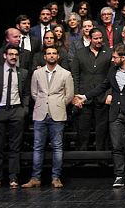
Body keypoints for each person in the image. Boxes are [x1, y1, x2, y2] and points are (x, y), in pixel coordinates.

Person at [73, 45, 125, 188]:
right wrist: (85, 97)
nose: (112, 59)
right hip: (115, 113)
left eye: (115, 57)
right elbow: (102, 87)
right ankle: (119, 175)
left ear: (123, 58)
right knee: (116, 146)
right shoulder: (112, 71)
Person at [22, 47, 75, 189]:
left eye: (54, 53)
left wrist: (57, 104)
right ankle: (35, 178)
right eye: (49, 54)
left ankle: (56, 177)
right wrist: (43, 103)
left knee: (57, 147)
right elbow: (34, 93)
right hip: (40, 113)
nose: (51, 56)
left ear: (58, 56)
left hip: (57, 113)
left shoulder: (66, 73)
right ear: (44, 57)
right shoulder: (37, 73)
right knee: (38, 147)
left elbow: (69, 95)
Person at [0, 44, 30, 189]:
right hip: (0, 110)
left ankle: (13, 178)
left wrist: (25, 110)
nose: (13, 57)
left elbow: (26, 93)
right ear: (5, 56)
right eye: (10, 54)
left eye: (16, 55)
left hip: (17, 111)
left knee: (15, 148)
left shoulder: (23, 73)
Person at [70, 28, 111, 151]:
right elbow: (75, 75)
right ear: (90, 39)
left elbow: (112, 76)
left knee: (102, 130)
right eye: (96, 38)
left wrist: (109, 94)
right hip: (83, 97)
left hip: (103, 97)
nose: (98, 40)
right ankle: (80, 157)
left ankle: (101, 157)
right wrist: (76, 95)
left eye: (100, 38)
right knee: (82, 130)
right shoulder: (80, 53)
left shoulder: (109, 53)